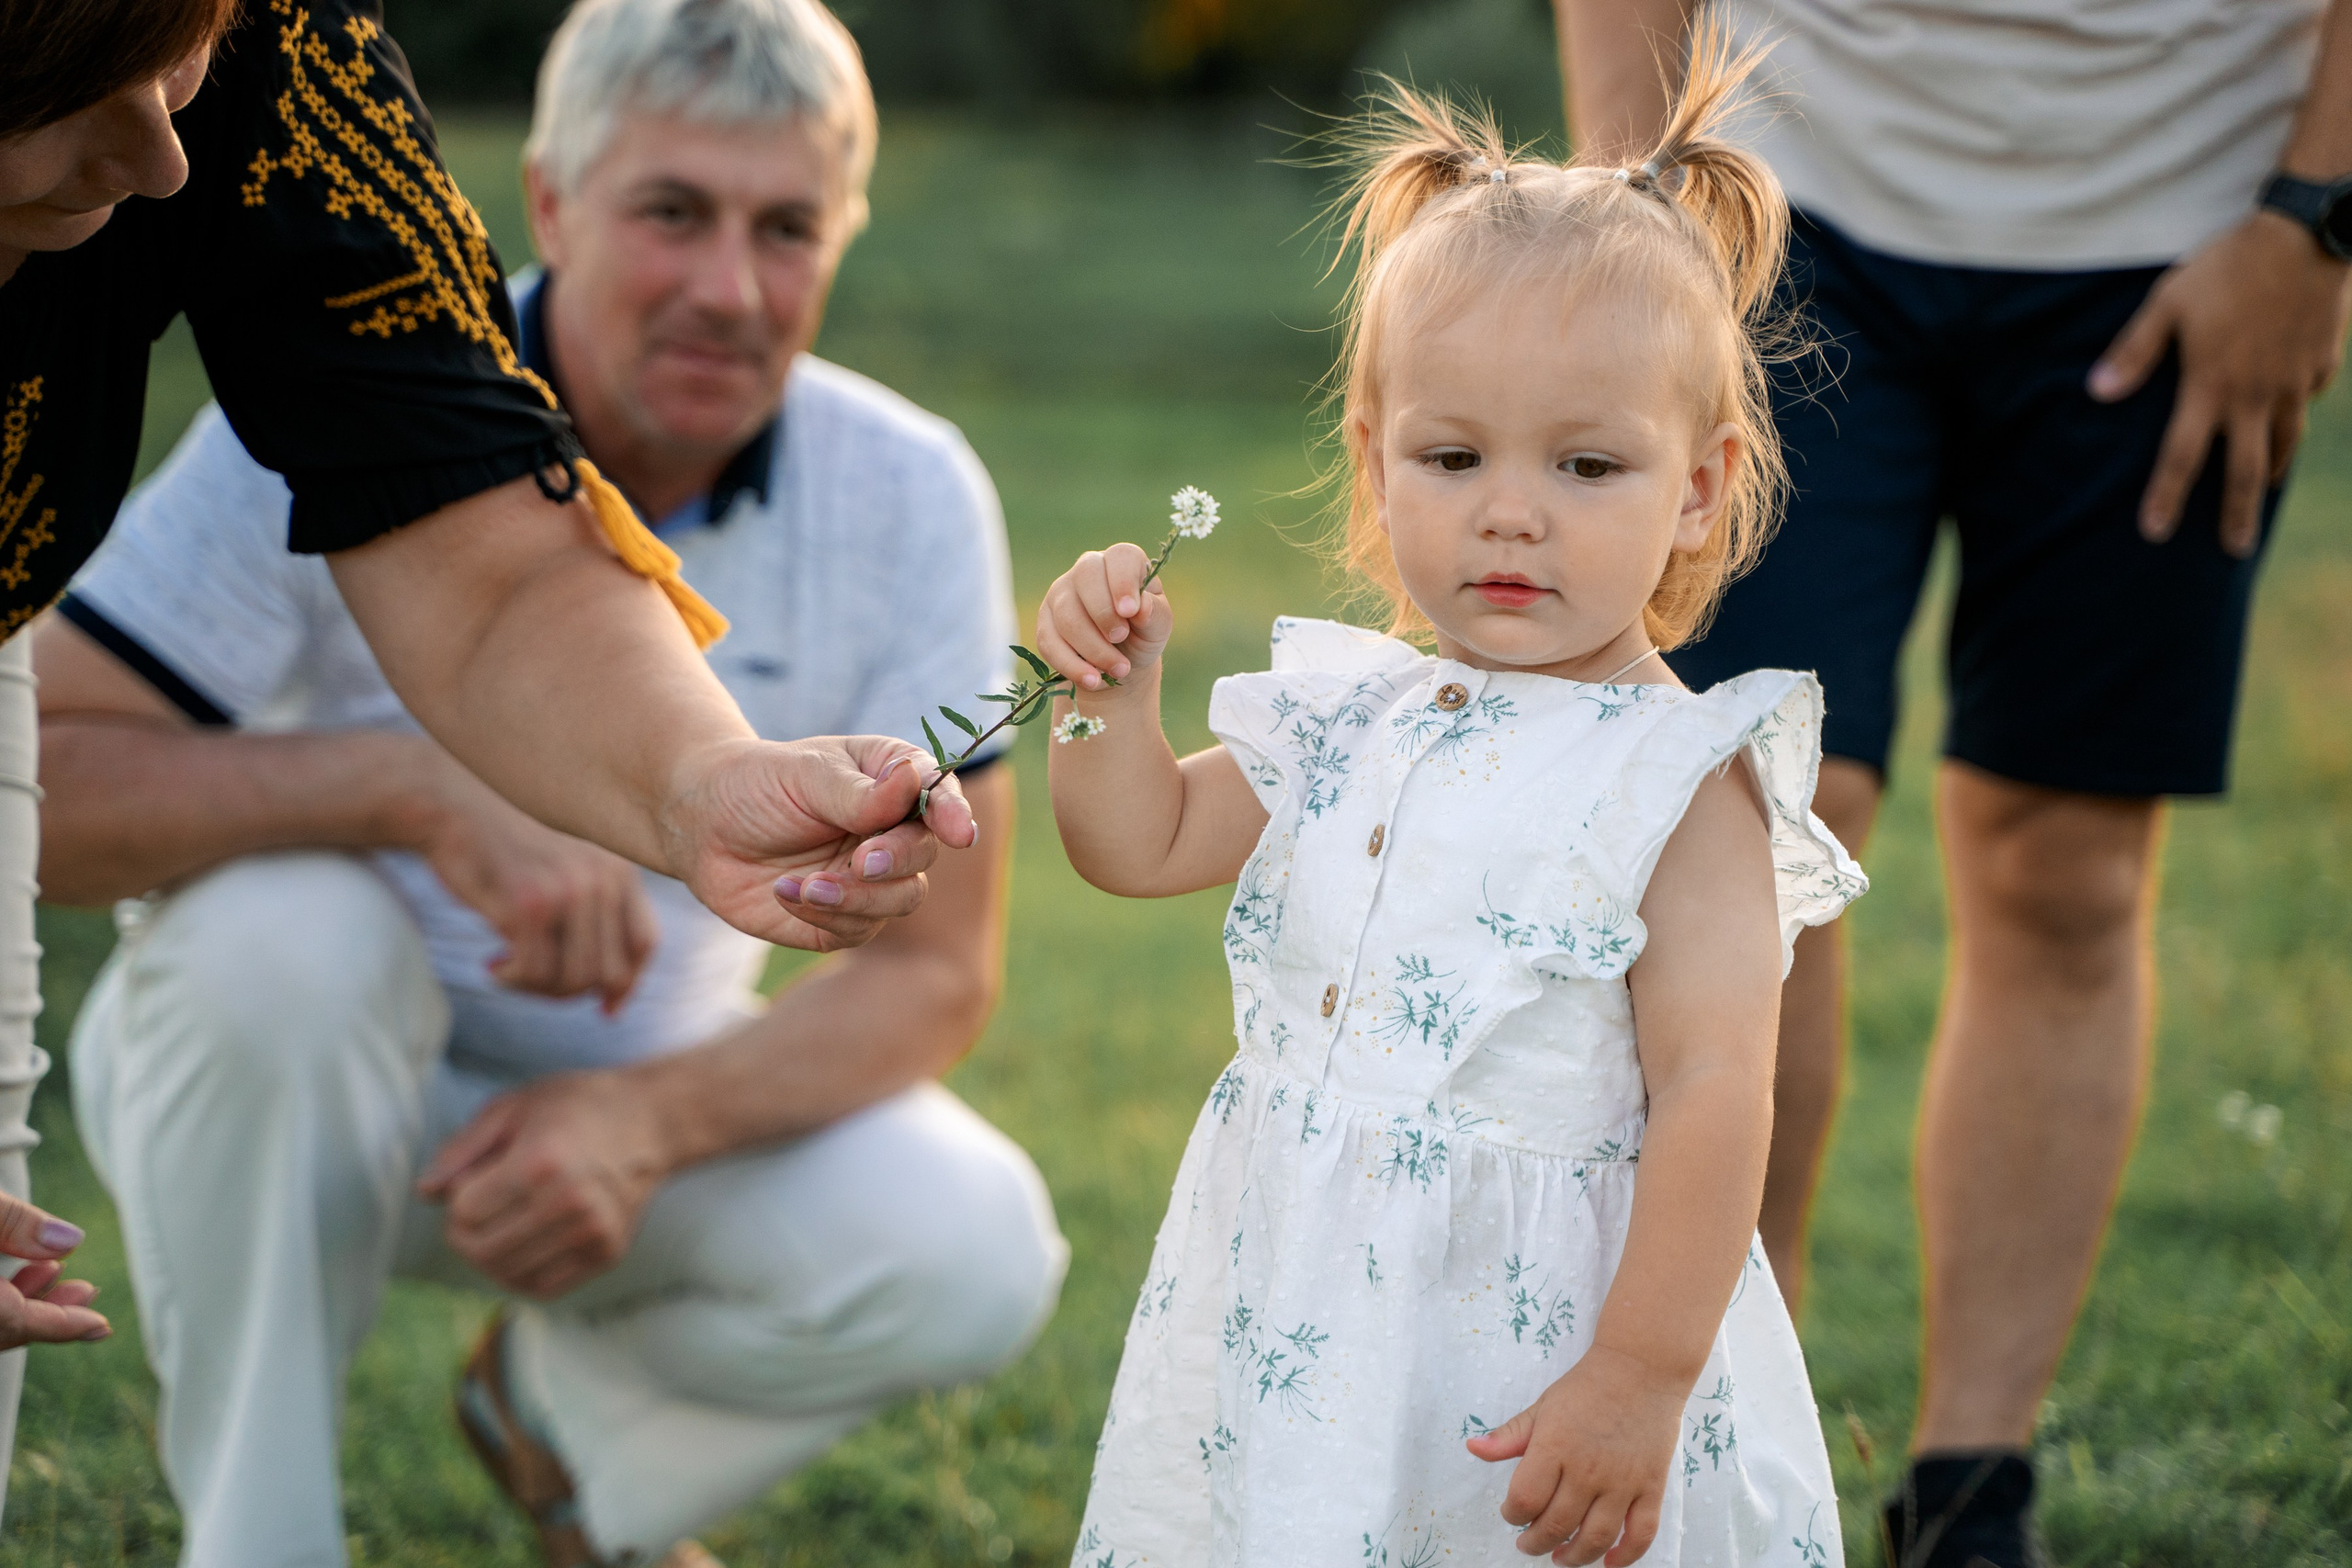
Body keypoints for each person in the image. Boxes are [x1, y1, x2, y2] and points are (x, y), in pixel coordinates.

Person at [33, 0, 1066, 1563]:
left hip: (630, 1122)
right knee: (280, 946)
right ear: (554, 201)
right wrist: (413, 795)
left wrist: (645, 1120)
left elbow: (937, 978)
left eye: (787, 227)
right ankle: (263, 1540)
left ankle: (566, 1438)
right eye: (673, 212)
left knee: (978, 1247)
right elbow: (40, 776)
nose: (731, 288)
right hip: (291, 1103)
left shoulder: (914, 489)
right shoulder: (328, 380)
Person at [1044, 42, 1867, 1568]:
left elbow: (1714, 1094)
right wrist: (1102, 694)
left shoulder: (1678, 783)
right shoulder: (1350, 716)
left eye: (1586, 464)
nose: (1509, 508)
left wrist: (1638, 1376)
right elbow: (1135, 840)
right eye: (1451, 454)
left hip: (1544, 1341)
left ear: (1697, 487)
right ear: (1374, 462)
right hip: (1301, 1314)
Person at [1558, 0, 2352, 1560]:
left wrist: (2317, 227)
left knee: (2066, 864)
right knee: (1749, 810)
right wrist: (1640, 191)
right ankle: (1723, 1420)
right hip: (1783, 203)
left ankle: (1972, 1494)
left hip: (2195, 230)